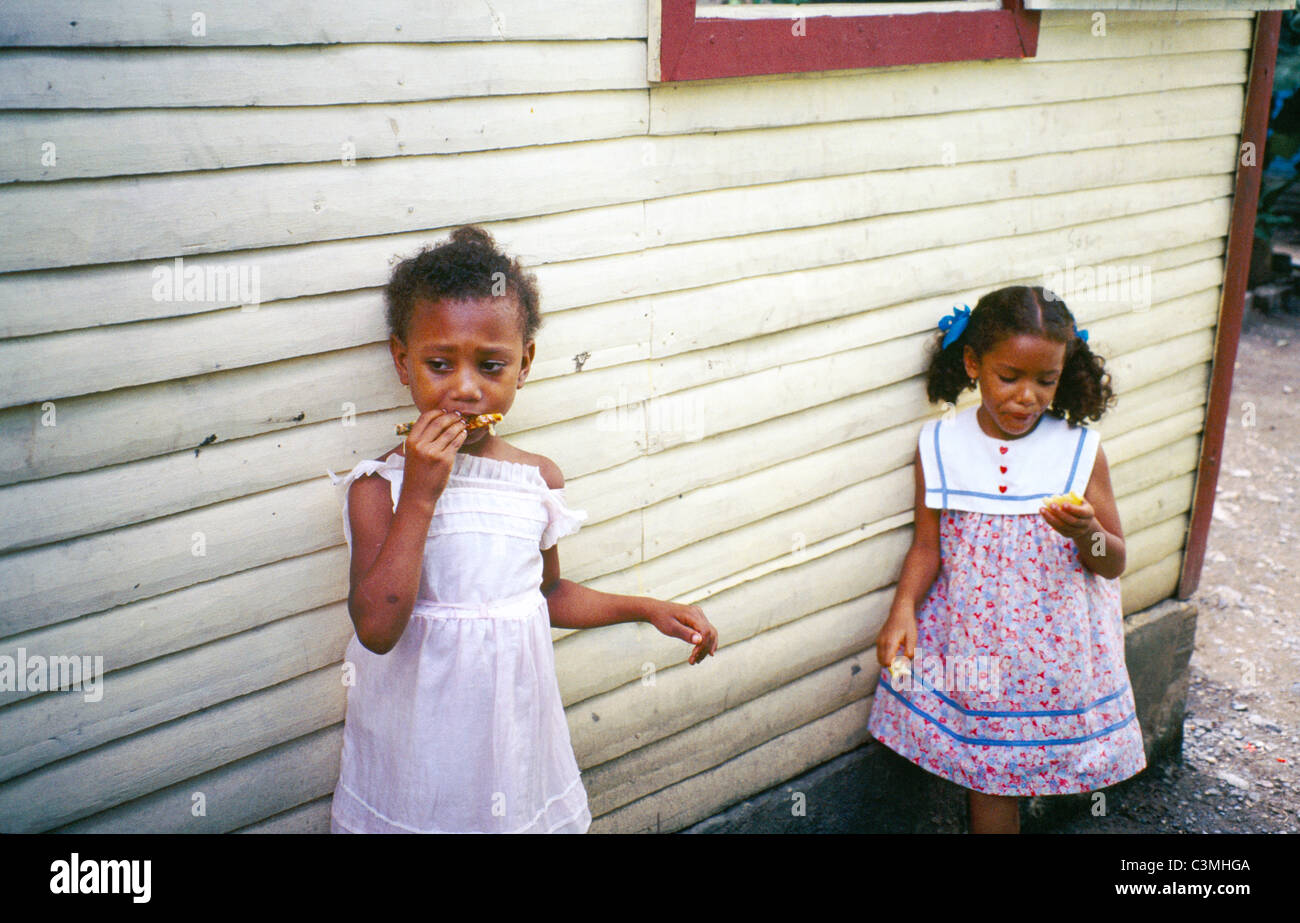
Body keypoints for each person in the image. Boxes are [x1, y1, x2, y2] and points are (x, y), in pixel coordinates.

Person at [325, 226, 719, 833]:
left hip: (513, 743)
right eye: (438, 363)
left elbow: (546, 594)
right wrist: (423, 495)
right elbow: (377, 628)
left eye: (491, 364)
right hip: (417, 750)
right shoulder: (380, 488)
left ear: (524, 364)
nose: (464, 388)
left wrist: (645, 607)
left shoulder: (536, 480)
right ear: (402, 361)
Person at [867, 285, 1146, 834]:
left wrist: (1087, 530)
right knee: (988, 774)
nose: (1027, 397)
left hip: (1056, 657)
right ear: (973, 364)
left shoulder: (1078, 449)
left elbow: (1111, 563)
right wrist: (902, 608)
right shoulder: (939, 445)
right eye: (1009, 377)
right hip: (974, 647)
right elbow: (928, 545)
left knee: (1039, 760)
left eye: (1046, 381)